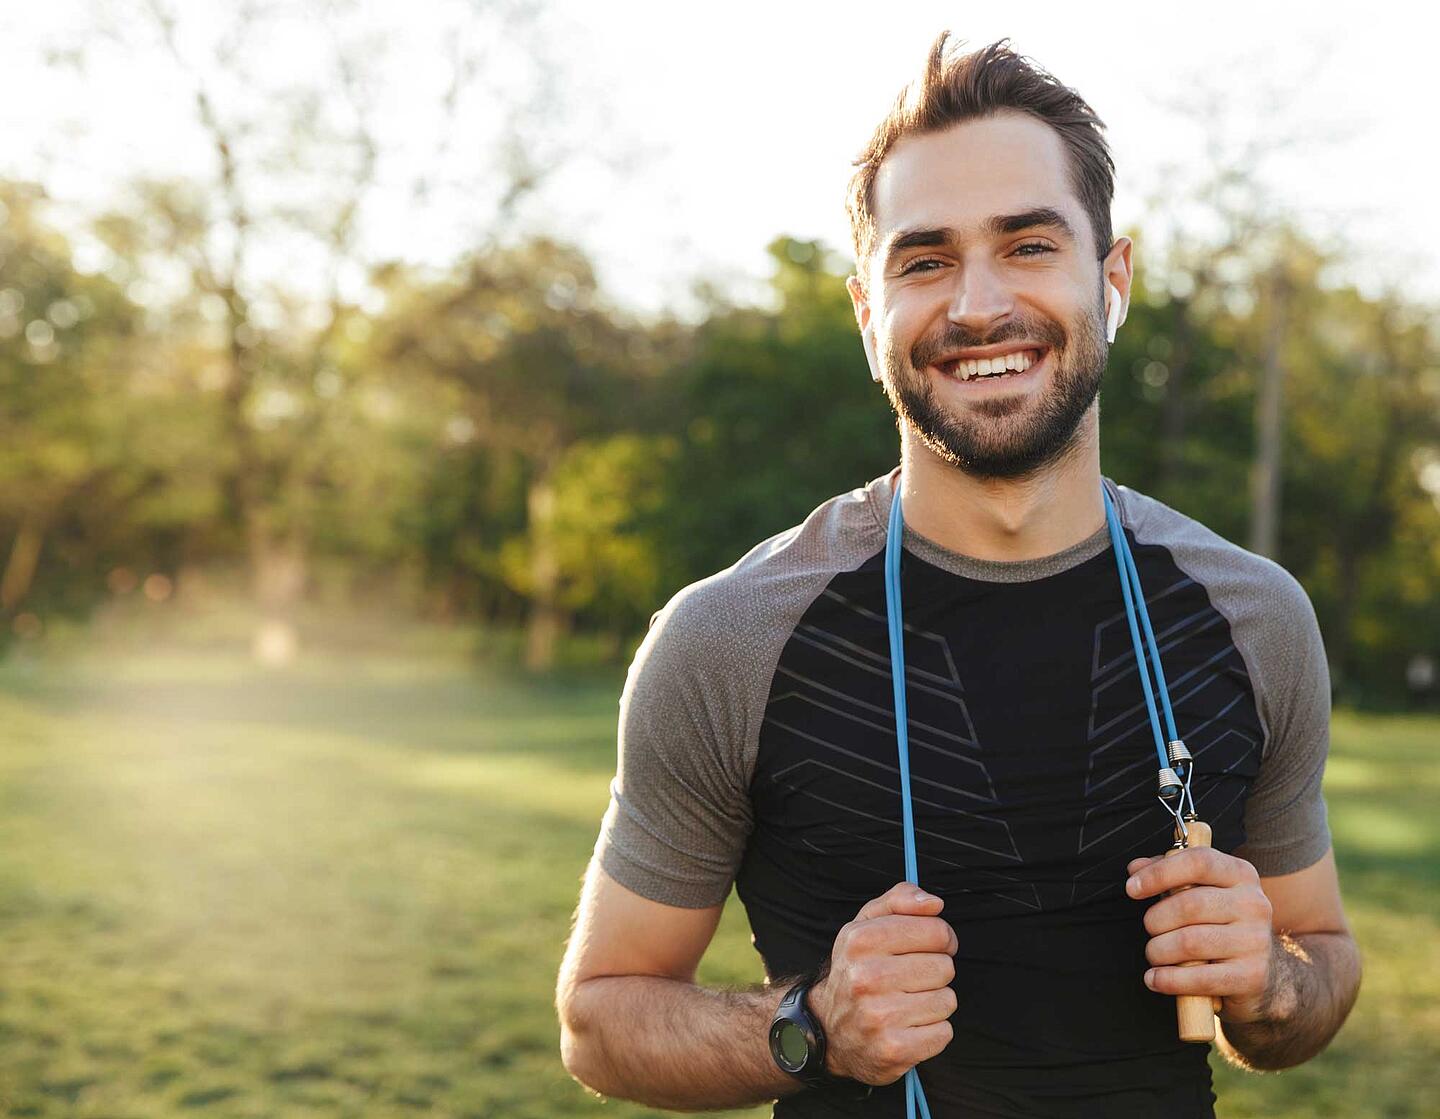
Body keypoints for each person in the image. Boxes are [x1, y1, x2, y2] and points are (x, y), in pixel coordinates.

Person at [555, 32, 1361, 1119]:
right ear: (865, 313)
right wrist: (812, 1028)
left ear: (1110, 278)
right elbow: (601, 1018)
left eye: (1028, 245)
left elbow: (1323, 966)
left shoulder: (1255, 616)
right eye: (924, 260)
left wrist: (1272, 978)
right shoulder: (729, 638)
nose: (978, 307)